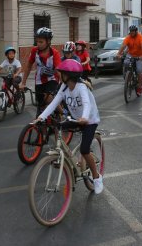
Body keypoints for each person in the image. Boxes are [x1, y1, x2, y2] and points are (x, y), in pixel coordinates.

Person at [32, 59, 103, 194]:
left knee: (84, 150)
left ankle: (96, 177)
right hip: (76, 119)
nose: (60, 75)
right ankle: (65, 159)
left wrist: (85, 118)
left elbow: (87, 104)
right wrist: (41, 117)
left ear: (69, 75)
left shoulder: (81, 87)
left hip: (89, 121)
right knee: (58, 126)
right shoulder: (63, 88)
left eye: (62, 73)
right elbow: (53, 104)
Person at [20, 27, 61, 117]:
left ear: (48, 41)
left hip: (52, 80)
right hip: (39, 82)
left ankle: (62, 113)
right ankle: (42, 129)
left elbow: (59, 71)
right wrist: (23, 83)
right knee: (40, 110)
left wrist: (65, 83)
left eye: (41, 42)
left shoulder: (54, 53)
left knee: (48, 98)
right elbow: (28, 66)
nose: (38, 44)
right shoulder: (35, 51)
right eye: (37, 41)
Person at [116, 25, 142, 96]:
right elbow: (123, 45)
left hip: (139, 55)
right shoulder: (128, 37)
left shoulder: (140, 37)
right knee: (126, 63)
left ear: (136, 31)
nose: (132, 33)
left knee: (139, 71)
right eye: (131, 31)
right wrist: (118, 54)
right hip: (130, 54)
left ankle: (140, 87)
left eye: (133, 31)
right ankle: (128, 77)